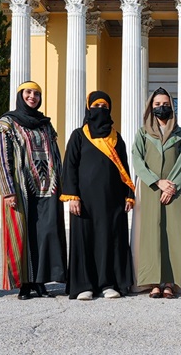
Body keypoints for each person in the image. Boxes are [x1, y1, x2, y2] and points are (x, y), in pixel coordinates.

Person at [0, 81, 67, 300]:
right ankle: (24, 283)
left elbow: (55, 155)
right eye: (28, 92)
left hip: (48, 187)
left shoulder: (45, 124)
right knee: (23, 233)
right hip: (21, 188)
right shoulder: (7, 124)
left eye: (37, 94)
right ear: (20, 95)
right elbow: (3, 159)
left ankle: (40, 281)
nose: (32, 96)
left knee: (45, 233)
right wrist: (8, 190)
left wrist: (62, 186)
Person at [61, 91, 135, 300]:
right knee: (84, 241)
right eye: (96, 106)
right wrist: (72, 196)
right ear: (88, 108)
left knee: (109, 241)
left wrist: (129, 195)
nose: (100, 110)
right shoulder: (79, 135)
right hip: (84, 202)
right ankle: (84, 285)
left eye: (104, 107)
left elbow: (124, 168)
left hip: (112, 201)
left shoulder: (116, 137)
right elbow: (70, 167)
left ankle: (108, 284)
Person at [131, 87, 181, 298]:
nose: (161, 107)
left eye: (165, 104)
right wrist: (157, 182)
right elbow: (137, 160)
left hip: (174, 191)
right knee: (150, 234)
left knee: (172, 234)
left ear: (172, 106)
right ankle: (153, 281)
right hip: (150, 189)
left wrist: (172, 185)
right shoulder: (143, 133)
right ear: (151, 107)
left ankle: (170, 282)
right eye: (157, 104)